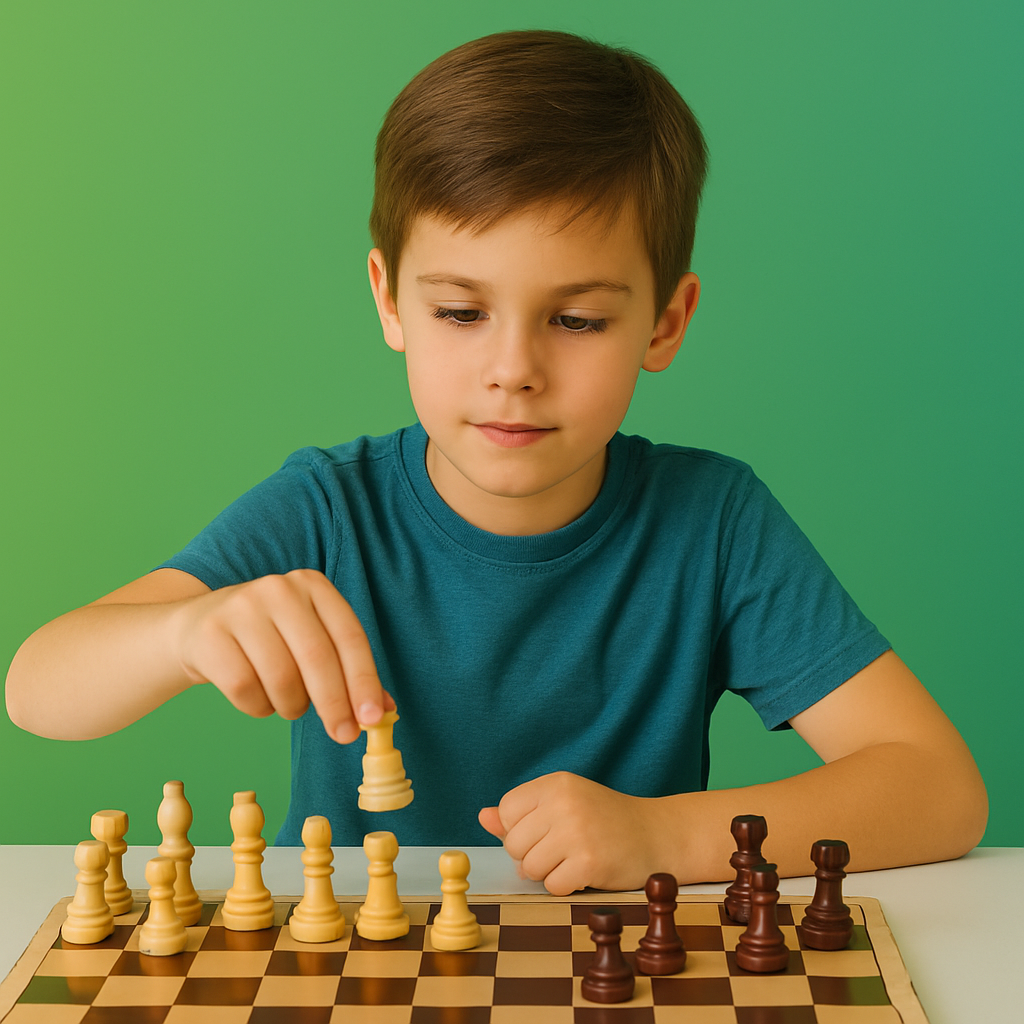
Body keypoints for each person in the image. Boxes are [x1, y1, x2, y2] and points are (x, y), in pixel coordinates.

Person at [5, 30, 987, 895]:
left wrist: (661, 834)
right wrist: (184, 630)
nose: (513, 371)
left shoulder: (712, 522)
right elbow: (37, 686)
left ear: (665, 321)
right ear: (389, 301)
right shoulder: (326, 511)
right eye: (461, 312)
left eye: (576, 318)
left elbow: (939, 790)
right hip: (372, 974)